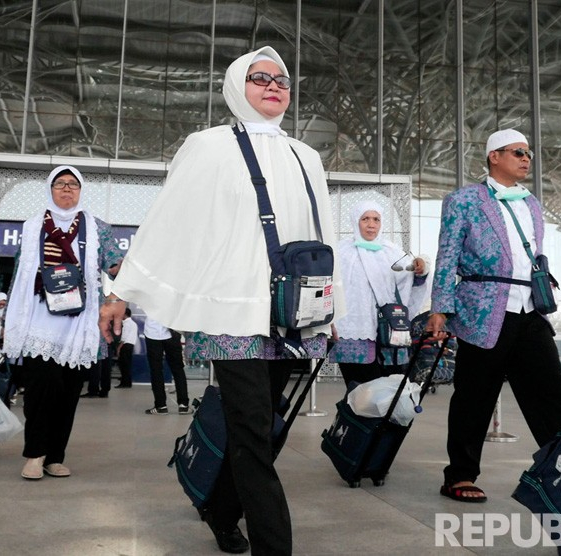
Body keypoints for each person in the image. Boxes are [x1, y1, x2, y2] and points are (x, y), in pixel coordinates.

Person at [101, 46, 342, 555]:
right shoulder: (209, 146)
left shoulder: (308, 157)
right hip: (231, 310)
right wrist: (120, 292)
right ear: (237, 86)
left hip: (292, 314)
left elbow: (322, 238)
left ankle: (221, 508)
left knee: (260, 426)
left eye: (282, 79)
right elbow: (170, 219)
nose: (274, 85)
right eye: (260, 78)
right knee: (254, 432)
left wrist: (328, 307)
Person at [426, 129, 561, 503]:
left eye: (529, 153)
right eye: (518, 152)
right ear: (494, 156)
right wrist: (440, 308)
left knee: (551, 396)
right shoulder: (464, 200)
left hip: (529, 311)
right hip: (483, 312)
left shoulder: (532, 204)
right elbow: (447, 254)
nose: (526, 158)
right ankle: (459, 476)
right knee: (474, 398)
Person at [3, 164, 122, 480]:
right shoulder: (32, 228)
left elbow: (114, 266)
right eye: (60, 184)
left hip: (78, 324)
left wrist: (123, 281)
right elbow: (18, 277)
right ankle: (34, 455)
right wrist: (10, 321)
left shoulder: (98, 228)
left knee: (68, 394)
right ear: (50, 189)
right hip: (38, 321)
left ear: (81, 190)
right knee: (40, 391)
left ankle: (55, 456)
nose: (67, 189)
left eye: (73, 184)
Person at [332, 200, 430, 387]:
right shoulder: (342, 252)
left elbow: (409, 283)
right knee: (360, 392)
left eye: (376, 219)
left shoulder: (392, 251)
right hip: (354, 332)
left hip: (389, 331)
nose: (371, 225)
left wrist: (420, 268)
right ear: (356, 221)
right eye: (365, 219)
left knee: (389, 391)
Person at [142, 315, 191, 415]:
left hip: (152, 332)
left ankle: (161, 406)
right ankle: (183, 405)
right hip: (172, 331)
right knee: (178, 369)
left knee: (156, 370)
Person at [115, 307, 138, 388]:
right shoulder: (134, 323)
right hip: (131, 345)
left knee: (124, 365)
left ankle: (124, 383)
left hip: (125, 346)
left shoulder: (127, 324)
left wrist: (119, 348)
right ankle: (128, 382)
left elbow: (124, 338)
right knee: (128, 365)